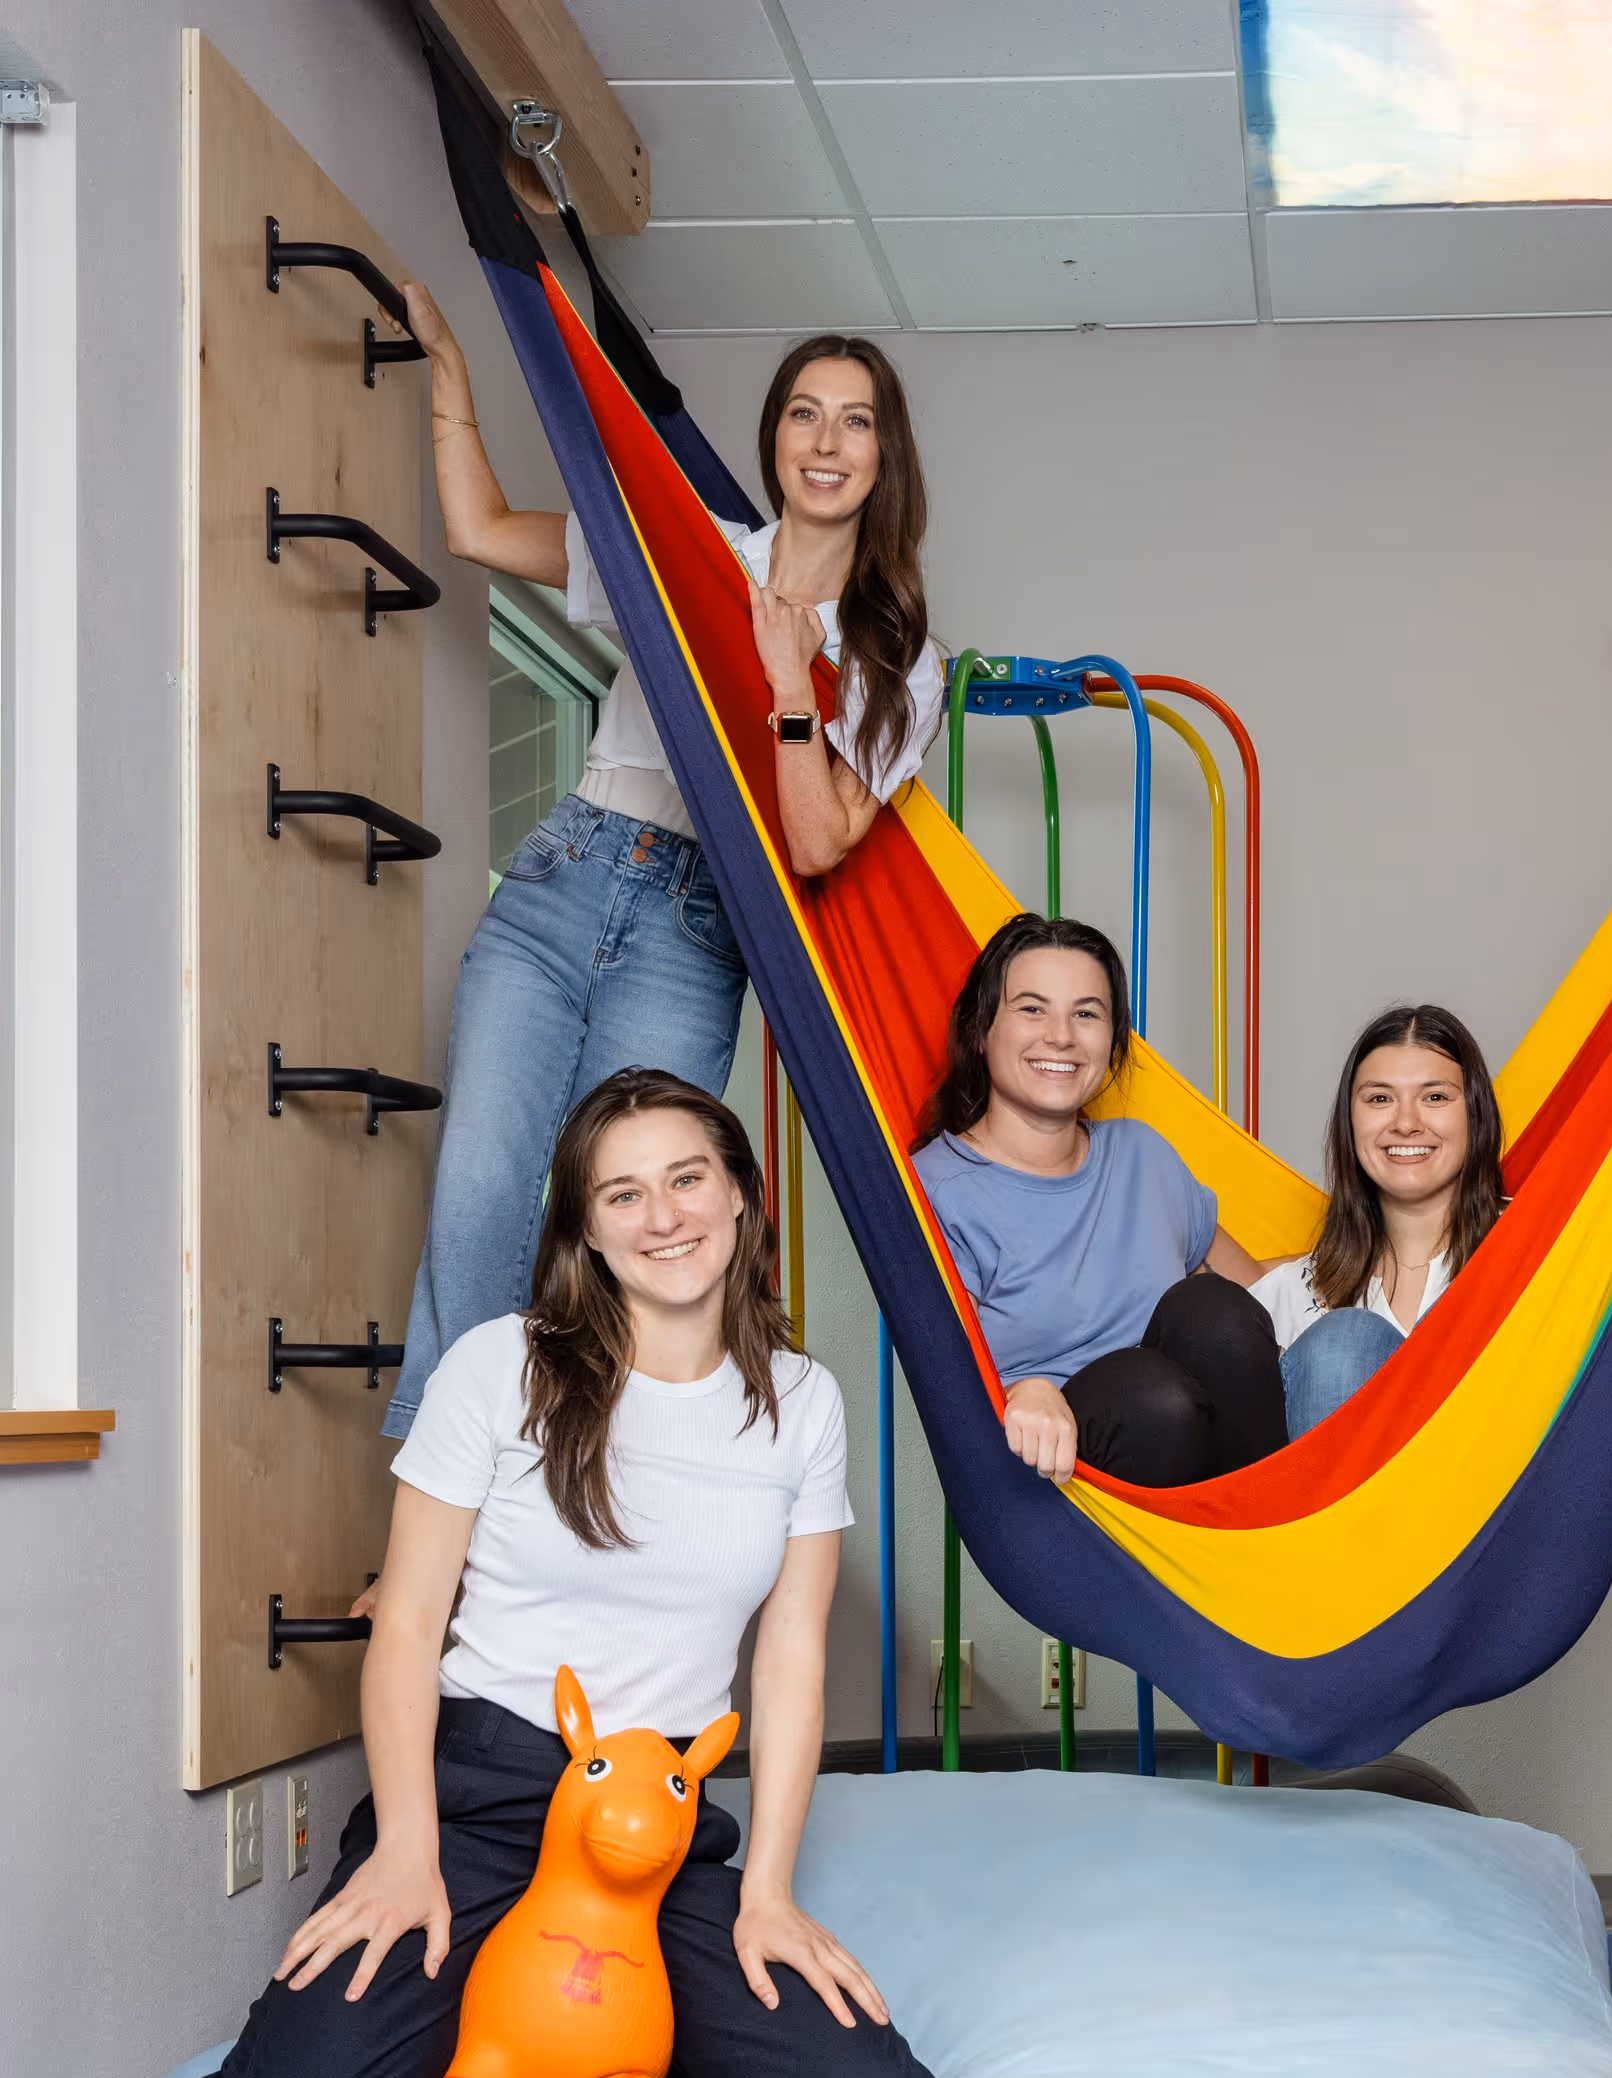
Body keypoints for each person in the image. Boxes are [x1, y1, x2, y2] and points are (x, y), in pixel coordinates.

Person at [194, 1070, 934, 2078]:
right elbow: (408, 1626)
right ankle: (495, 2013)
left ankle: (588, 2031)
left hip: (651, 1824)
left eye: (687, 1179)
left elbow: (790, 1660)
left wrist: (769, 1893)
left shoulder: (802, 1402)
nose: (663, 1217)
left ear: (740, 1192)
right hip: (480, 1795)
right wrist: (406, 1852)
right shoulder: (500, 1364)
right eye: (623, 1195)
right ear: (586, 1227)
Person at [382, 295, 942, 1436]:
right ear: (773, 439)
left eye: (856, 422)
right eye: (804, 414)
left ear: (886, 457)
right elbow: (481, 530)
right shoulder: (686, 551)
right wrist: (448, 367)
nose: (826, 442)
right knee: (481, 1194)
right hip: (566, 873)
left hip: (697, 932)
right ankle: (447, 1492)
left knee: (635, 1224)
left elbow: (815, 842)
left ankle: (576, 1476)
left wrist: (789, 682)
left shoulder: (898, 660)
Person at [911, 914, 1284, 1490]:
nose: (1061, 1035)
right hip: (1055, 1475)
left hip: (1216, 1473)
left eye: (1086, 1014)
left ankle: (1265, 1524)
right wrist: (1022, 1389)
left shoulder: (1142, 1154)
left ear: (1111, 1041)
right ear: (980, 1031)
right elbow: (946, 1385)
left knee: (1213, 1306)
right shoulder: (935, 1190)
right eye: (1032, 1009)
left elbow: (1256, 1296)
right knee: (1153, 1398)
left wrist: (1390, 1263)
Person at [1250, 1005, 1504, 1438]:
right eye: (1379, 1099)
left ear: (1475, 1114)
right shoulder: (1296, 1290)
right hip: (1332, 1481)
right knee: (1343, 1342)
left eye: (1435, 1097)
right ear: (1350, 1121)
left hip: (1500, 1478)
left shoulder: (1536, 1251)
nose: (1406, 1123)